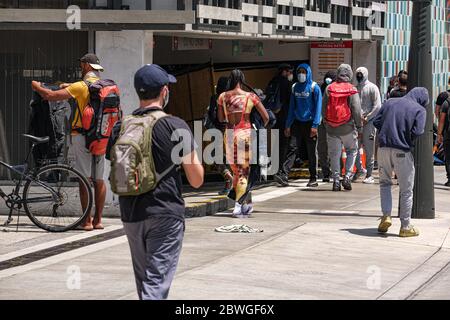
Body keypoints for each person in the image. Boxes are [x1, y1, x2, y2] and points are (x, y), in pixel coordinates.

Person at [107, 64, 204, 300]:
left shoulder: (121, 126)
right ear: (164, 91)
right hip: (164, 213)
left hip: (130, 213)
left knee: (146, 285)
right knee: (156, 284)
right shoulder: (175, 125)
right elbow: (196, 179)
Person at [31, 53, 106, 231]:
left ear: (87, 66)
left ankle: (86, 221)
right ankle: (98, 221)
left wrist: (36, 86)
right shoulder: (104, 85)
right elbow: (77, 89)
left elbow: (50, 96)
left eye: (81, 65)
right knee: (99, 179)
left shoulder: (80, 87)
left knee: (84, 179)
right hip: (101, 136)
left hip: (82, 137)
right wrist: (67, 85)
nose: (81, 67)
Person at [374, 87, 427, 237]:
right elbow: (418, 131)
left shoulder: (390, 102)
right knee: (406, 190)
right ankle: (405, 226)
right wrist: (405, 137)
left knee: (384, 183)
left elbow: (377, 121)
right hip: (402, 151)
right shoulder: (419, 110)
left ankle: (386, 216)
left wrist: (388, 130)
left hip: (383, 149)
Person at [217, 69, 269, 217]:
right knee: (243, 173)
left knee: (236, 172)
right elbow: (266, 117)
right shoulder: (251, 96)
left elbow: (221, 119)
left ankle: (244, 206)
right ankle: (238, 206)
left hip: (229, 136)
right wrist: (258, 128)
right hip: (245, 134)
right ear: (242, 80)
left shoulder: (222, 97)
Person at [276, 63, 322, 188]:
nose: (301, 74)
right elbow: (292, 107)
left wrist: (315, 125)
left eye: (304, 71)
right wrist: (288, 125)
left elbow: (318, 108)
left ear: (308, 73)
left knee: (311, 151)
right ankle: (284, 175)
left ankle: (313, 178)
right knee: (292, 148)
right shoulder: (295, 87)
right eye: (299, 71)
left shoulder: (314, 87)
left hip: (310, 123)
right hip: (297, 122)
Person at [322, 64, 362, 192]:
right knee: (351, 151)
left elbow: (323, 108)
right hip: (348, 128)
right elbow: (356, 109)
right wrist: (359, 126)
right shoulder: (352, 89)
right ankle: (347, 177)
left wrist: (326, 122)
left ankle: (336, 181)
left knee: (334, 154)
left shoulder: (329, 88)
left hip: (332, 128)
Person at [205, 76, 233, 195]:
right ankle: (231, 182)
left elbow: (211, 114)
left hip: (218, 131)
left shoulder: (215, 98)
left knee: (215, 156)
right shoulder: (232, 98)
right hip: (231, 131)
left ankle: (228, 179)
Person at [353, 67, 381, 184]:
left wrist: (368, 117)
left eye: (361, 74)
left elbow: (377, 105)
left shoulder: (372, 87)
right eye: (357, 74)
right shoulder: (354, 88)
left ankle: (369, 174)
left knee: (369, 150)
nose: (359, 76)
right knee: (354, 148)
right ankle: (359, 169)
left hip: (369, 123)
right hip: (356, 123)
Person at [318, 70, 337, 182]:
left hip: (334, 123)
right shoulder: (320, 88)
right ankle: (326, 172)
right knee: (322, 148)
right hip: (322, 122)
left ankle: (336, 171)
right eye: (327, 77)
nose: (328, 79)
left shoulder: (336, 89)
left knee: (334, 148)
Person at [436, 76, 450, 186]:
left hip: (448, 132)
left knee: (448, 155)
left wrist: (439, 134)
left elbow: (440, 117)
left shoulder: (445, 99)